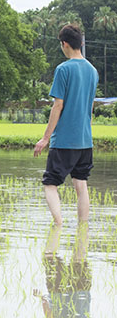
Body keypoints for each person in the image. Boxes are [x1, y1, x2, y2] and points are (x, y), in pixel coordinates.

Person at [34, 24, 98, 226]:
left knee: (50, 183)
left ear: (64, 44)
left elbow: (58, 105)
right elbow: (89, 108)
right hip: (85, 141)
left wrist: (45, 138)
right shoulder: (93, 71)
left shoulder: (63, 69)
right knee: (81, 184)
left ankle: (58, 224)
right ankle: (82, 228)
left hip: (64, 140)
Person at [34, 222, 91, 318]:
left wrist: (43, 298)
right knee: (49, 256)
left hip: (81, 294)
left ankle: (79, 222)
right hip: (59, 294)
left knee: (80, 255)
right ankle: (57, 222)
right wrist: (42, 298)